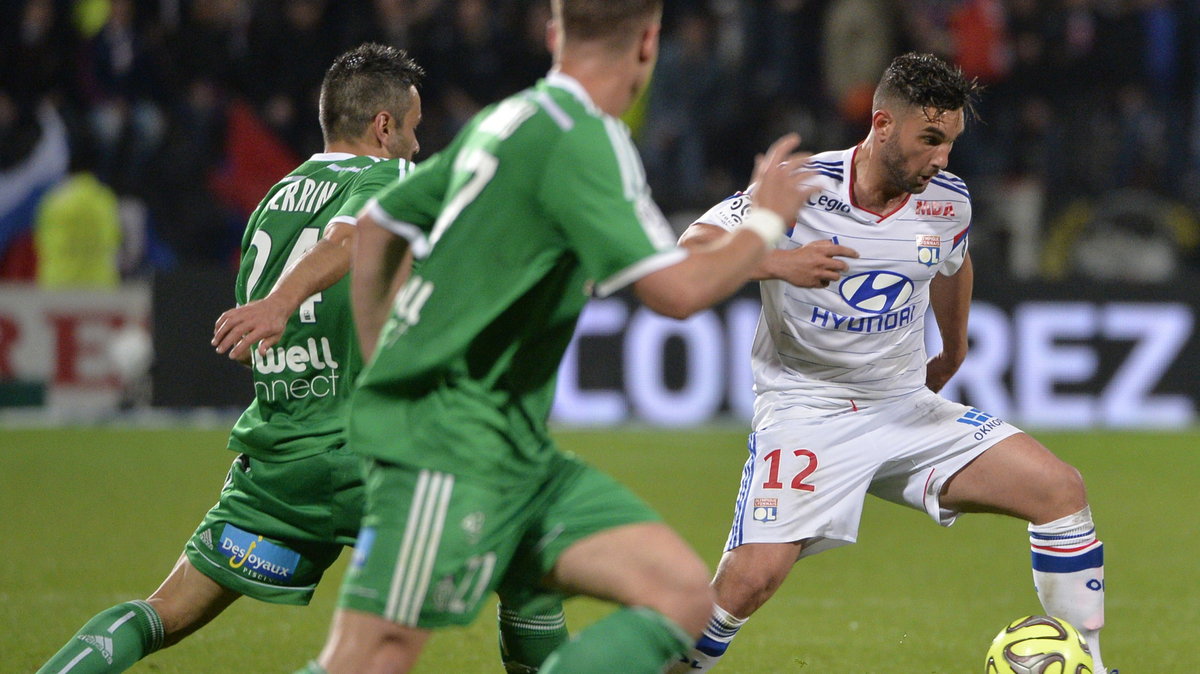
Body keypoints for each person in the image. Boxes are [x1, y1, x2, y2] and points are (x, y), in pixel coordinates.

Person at [292, 2, 852, 673]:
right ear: (648, 42)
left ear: (555, 34)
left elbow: (382, 224)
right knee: (372, 660)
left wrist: (383, 356)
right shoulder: (585, 141)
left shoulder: (506, 117)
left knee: (680, 598)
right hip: (446, 441)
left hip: (516, 453)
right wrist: (764, 225)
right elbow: (677, 293)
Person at [667, 52, 1111, 673]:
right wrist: (777, 261)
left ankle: (1084, 663)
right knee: (751, 581)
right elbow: (692, 247)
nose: (942, 159)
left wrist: (954, 347)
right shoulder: (802, 188)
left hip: (903, 407)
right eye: (930, 139)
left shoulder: (947, 201)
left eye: (951, 143)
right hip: (807, 410)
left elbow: (954, 265)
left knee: (1059, 489)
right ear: (881, 125)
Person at [36, 42, 425, 674]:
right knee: (526, 551)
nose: (417, 143)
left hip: (279, 469)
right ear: (385, 127)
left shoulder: (273, 200)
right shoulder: (395, 178)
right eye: (413, 128)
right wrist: (285, 302)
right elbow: (353, 238)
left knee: (159, 613)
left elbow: (282, 305)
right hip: (375, 461)